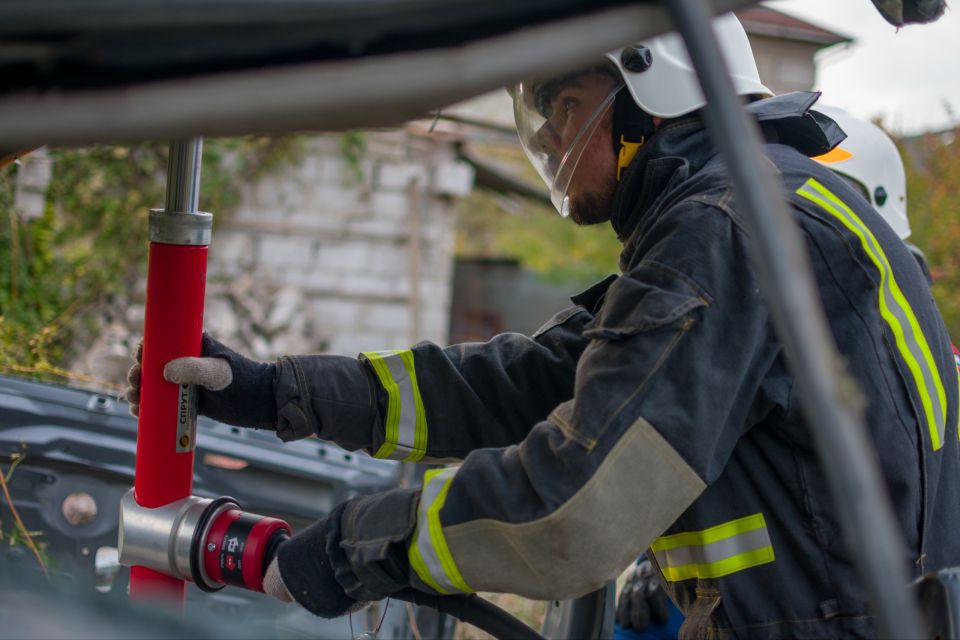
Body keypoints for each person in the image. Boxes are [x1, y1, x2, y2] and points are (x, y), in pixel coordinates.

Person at [127, 14, 960, 639]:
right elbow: (527, 383)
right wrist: (281, 394)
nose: (554, 137)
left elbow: (577, 508)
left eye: (565, 105)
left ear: (650, 90)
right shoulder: (747, 207)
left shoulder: (728, 227)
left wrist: (350, 550)